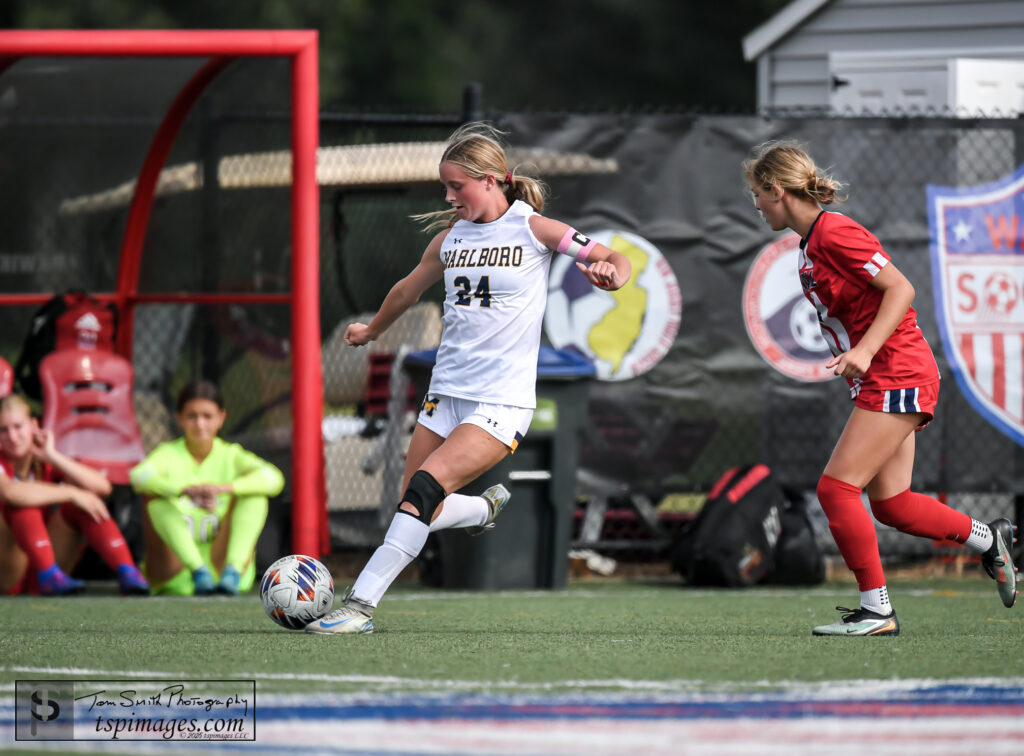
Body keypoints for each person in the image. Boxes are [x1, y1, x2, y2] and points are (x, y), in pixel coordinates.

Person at [306, 122, 631, 635]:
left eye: (457, 185)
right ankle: (481, 509)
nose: (449, 195)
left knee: (423, 494)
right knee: (413, 506)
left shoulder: (534, 228)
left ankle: (359, 608)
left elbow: (613, 257)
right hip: (445, 393)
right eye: (446, 186)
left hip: (501, 401)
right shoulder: (449, 239)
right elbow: (406, 292)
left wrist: (611, 273)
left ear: (493, 179)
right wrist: (372, 330)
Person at [743, 140, 1019, 636]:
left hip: (897, 370)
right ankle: (989, 539)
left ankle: (877, 611)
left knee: (836, 488)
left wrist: (866, 352)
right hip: (890, 372)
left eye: (757, 195)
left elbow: (901, 288)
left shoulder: (834, 232)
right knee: (892, 504)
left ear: (777, 189)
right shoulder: (813, 241)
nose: (757, 205)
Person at [129, 380, 284, 596]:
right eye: (192, 416)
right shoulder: (167, 453)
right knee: (152, 495)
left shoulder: (231, 455)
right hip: (173, 572)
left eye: (207, 416)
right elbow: (138, 476)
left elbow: (274, 478)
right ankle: (197, 570)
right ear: (179, 418)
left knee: (255, 496)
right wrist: (184, 490)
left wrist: (226, 488)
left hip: (223, 572)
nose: (200, 424)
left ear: (221, 418)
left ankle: (233, 570)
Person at [0, 394, 150, 596]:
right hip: (7, 574)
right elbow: (11, 493)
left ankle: (127, 571)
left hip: (41, 572)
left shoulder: (44, 459)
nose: (12, 436)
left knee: (83, 503)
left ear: (34, 425)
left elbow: (103, 486)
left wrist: (53, 456)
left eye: (18, 427)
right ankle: (48, 574)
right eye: (3, 430)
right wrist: (70, 492)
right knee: (22, 505)